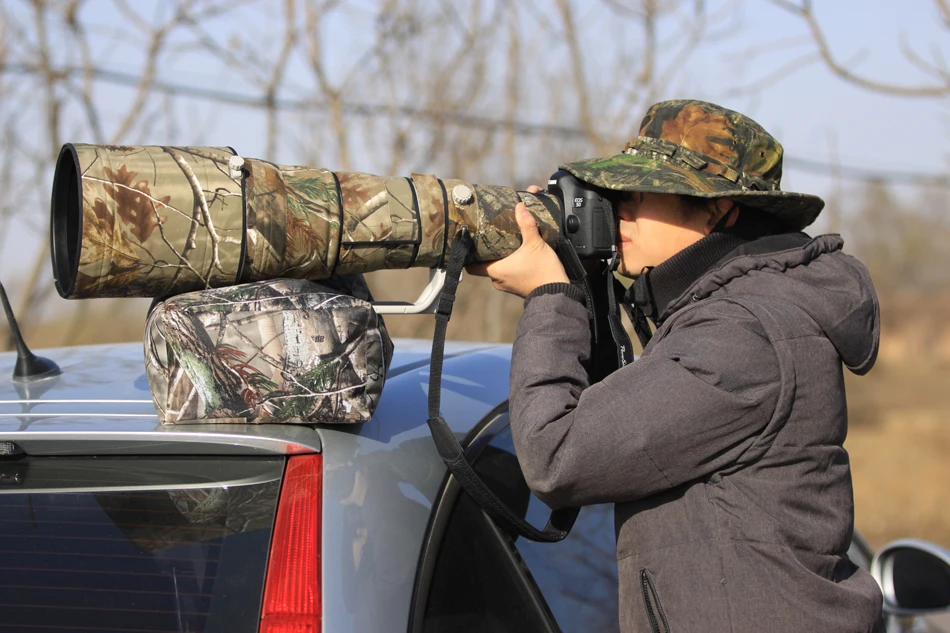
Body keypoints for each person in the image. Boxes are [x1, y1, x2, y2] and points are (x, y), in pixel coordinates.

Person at [469, 100, 884, 632]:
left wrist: (550, 293)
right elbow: (617, 425)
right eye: (619, 193)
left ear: (719, 209)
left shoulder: (743, 333)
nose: (624, 208)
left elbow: (557, 455)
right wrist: (577, 267)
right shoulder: (737, 308)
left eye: (646, 193)